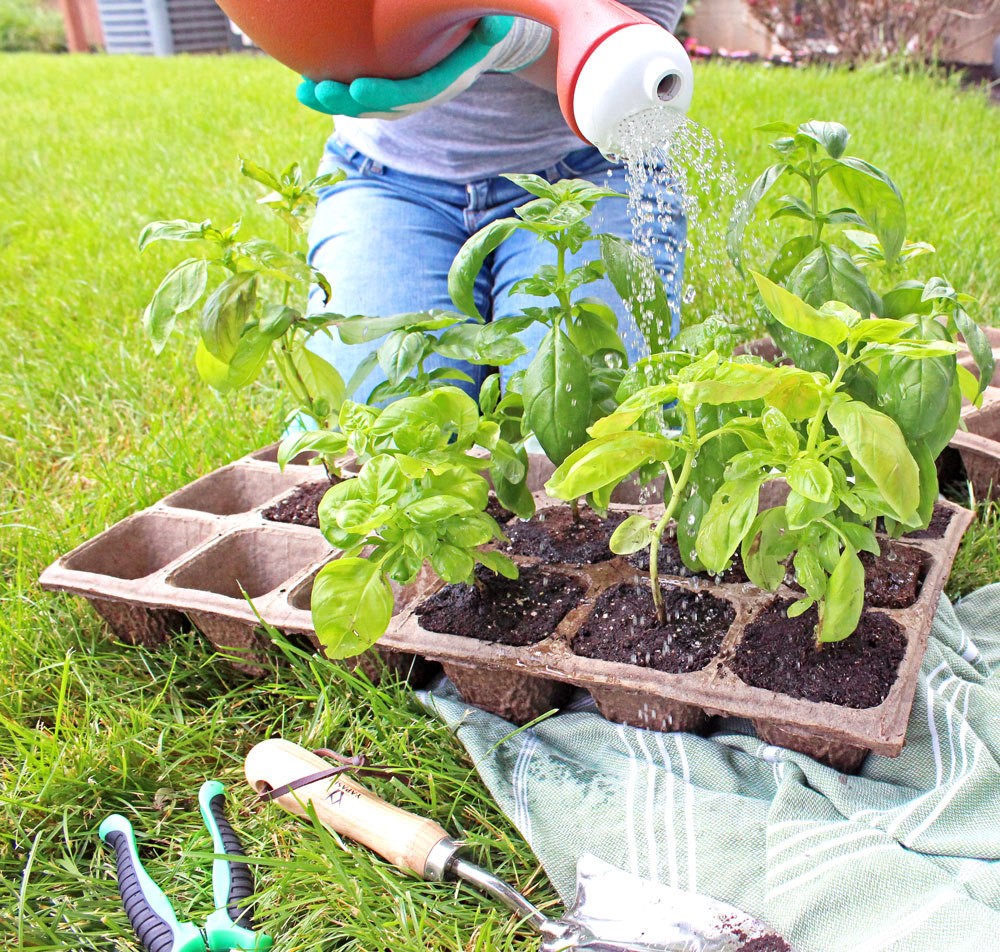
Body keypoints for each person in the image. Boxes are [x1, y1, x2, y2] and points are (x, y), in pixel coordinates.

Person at [299, 4, 687, 401]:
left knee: (591, 422)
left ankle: (491, 352)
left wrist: (515, 42)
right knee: (381, 430)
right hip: (389, 175)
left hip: (589, 171)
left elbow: (643, 58)